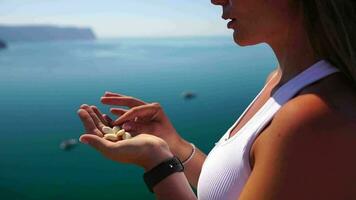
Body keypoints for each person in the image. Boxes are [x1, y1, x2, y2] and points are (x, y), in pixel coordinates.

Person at [77, 0, 356, 199]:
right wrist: (173, 144)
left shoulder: (312, 116)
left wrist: (157, 164)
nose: (216, 0)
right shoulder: (280, 81)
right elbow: (231, 188)